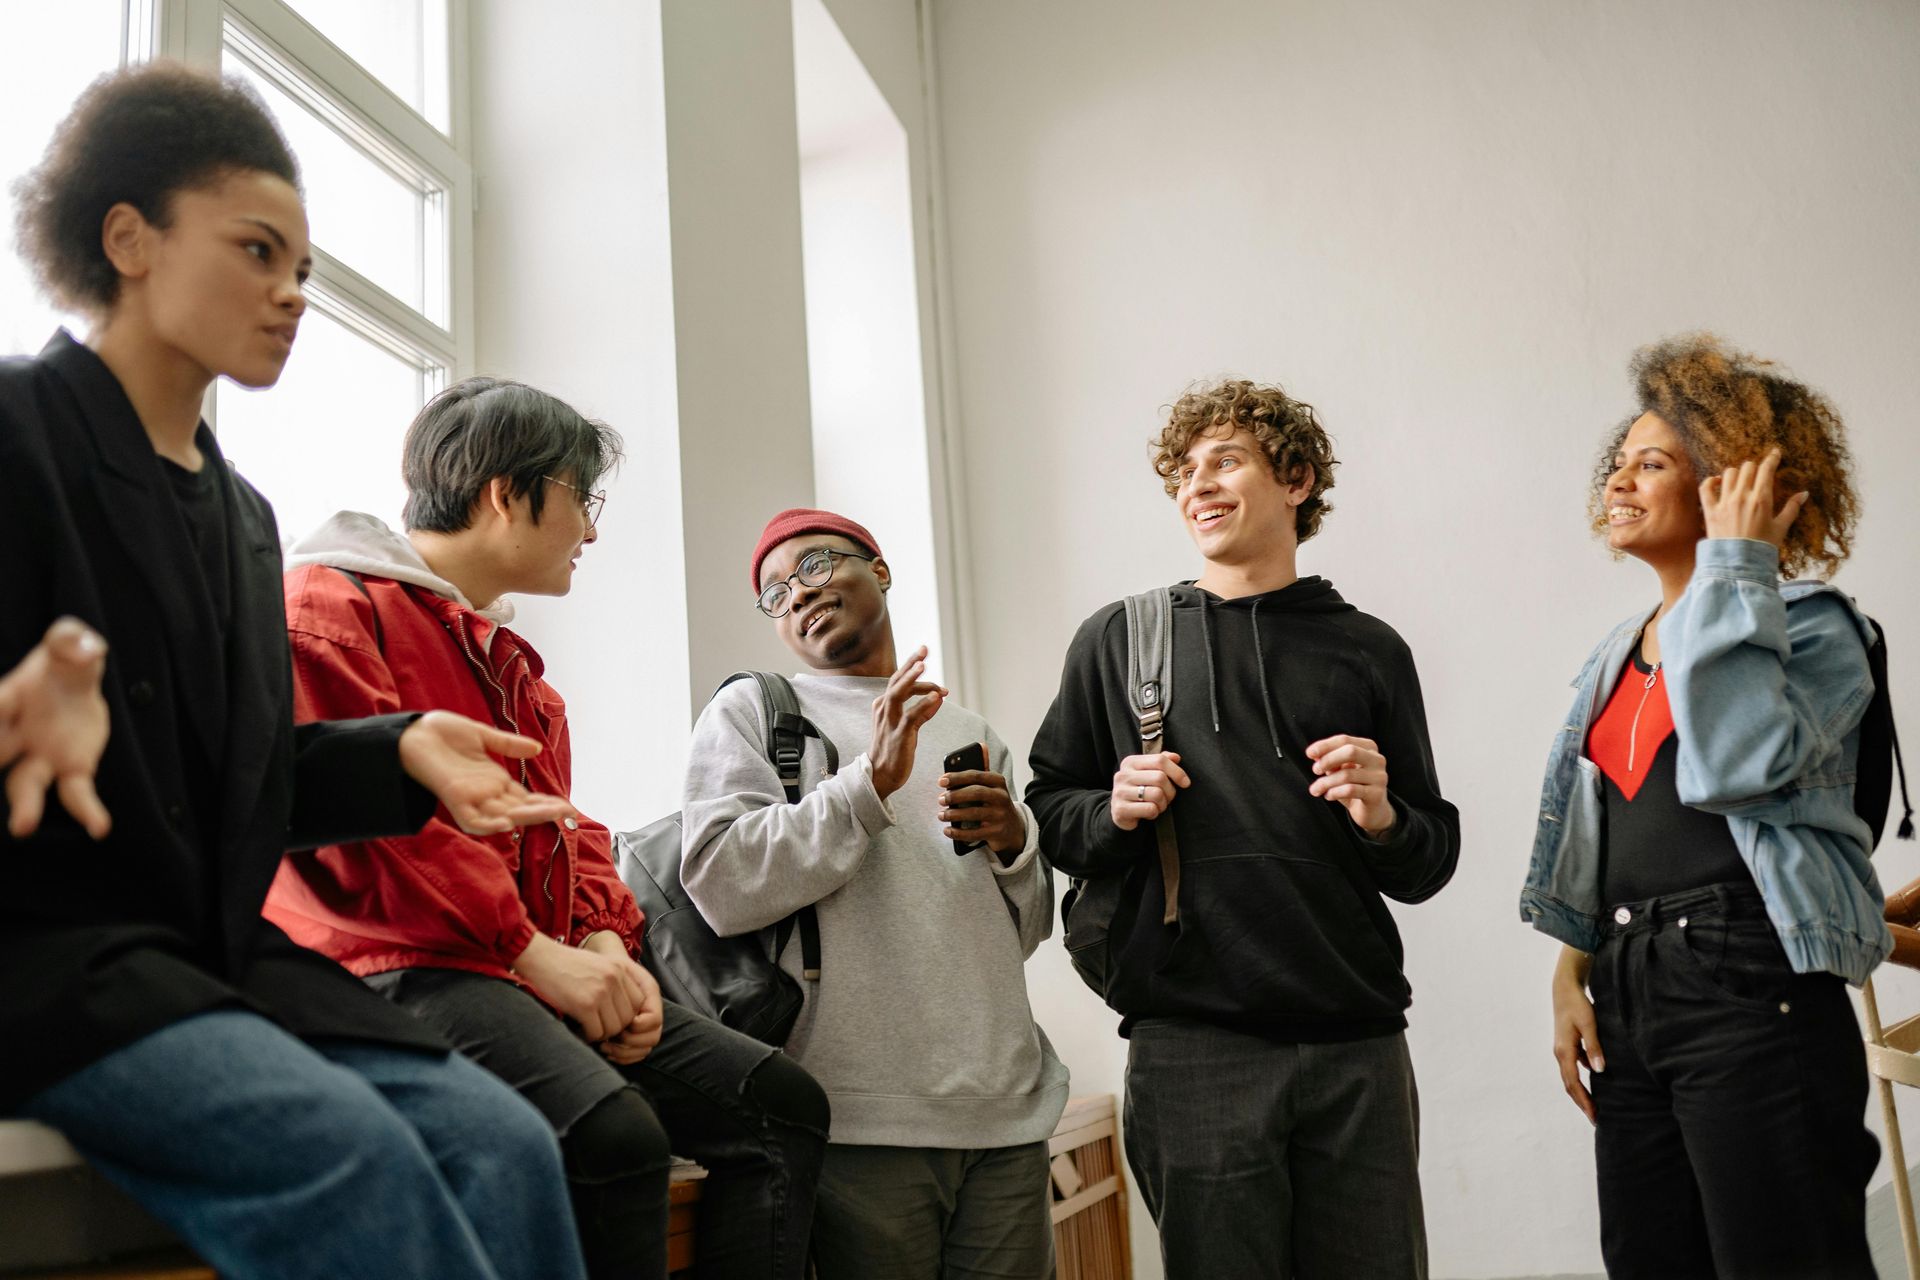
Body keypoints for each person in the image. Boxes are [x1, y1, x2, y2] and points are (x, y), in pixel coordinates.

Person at [0, 63, 588, 1280]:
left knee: (508, 1145)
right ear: (129, 238)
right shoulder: (17, 431)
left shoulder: (245, 516)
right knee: (357, 1157)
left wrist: (400, 748)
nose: (290, 295)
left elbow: (245, 781)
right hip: (46, 959)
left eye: (304, 270)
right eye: (258, 251)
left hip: (212, 963)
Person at [264, 378, 829, 1280]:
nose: (593, 532)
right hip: (392, 965)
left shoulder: (517, 671)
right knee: (613, 1138)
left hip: (516, 965)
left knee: (782, 1103)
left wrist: (606, 942)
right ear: (503, 492)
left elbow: (566, 833)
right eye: (583, 498)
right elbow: (374, 840)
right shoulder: (328, 609)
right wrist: (538, 953)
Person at [1028, 379, 1459, 1279]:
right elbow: (1051, 818)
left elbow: (1429, 857)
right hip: (1193, 1047)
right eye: (1184, 472)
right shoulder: (1119, 640)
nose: (1198, 486)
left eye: (1225, 460)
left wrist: (1383, 815)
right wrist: (1112, 808)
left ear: (1296, 478)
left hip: (1358, 1043)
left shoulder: (1369, 649)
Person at [1521, 335, 1884, 1277]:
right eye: (1619, 462)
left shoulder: (1816, 630)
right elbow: (1614, 838)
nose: (1618, 482)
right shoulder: (1617, 651)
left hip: (1749, 980)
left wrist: (1736, 569)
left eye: (1652, 462)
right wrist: (1573, 972)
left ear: (1732, 483)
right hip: (1630, 985)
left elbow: (1736, 768)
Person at [681, 508, 1069, 1280]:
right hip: (859, 1122)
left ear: (880, 570)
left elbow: (1022, 932)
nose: (797, 592)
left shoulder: (970, 729)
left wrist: (1016, 846)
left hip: (1006, 1114)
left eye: (816, 566)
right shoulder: (754, 713)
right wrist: (869, 786)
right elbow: (720, 883)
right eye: (777, 591)